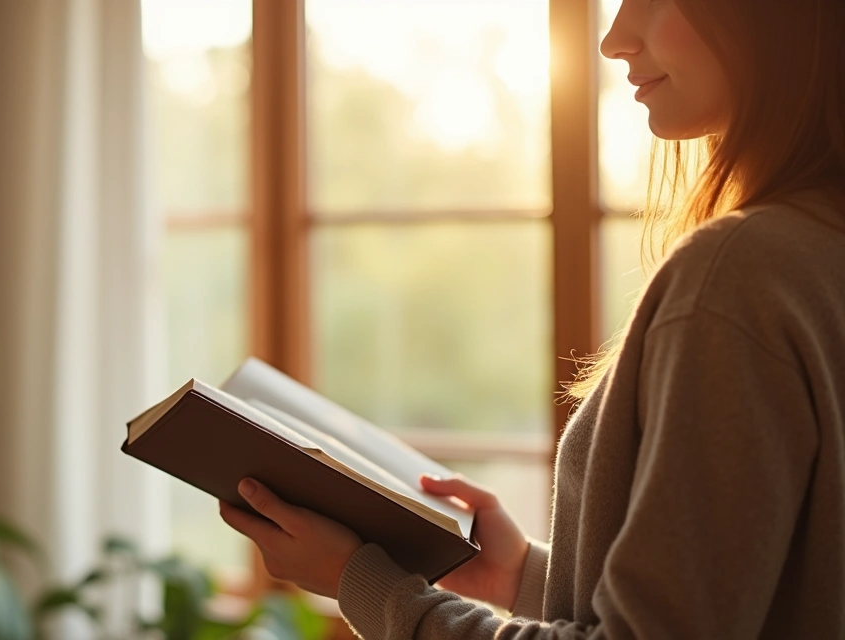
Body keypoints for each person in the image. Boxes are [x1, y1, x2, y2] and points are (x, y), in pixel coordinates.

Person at [218, 0, 845, 636]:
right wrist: (518, 576)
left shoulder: (740, 274)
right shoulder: (814, 250)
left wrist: (369, 585)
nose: (614, 39)